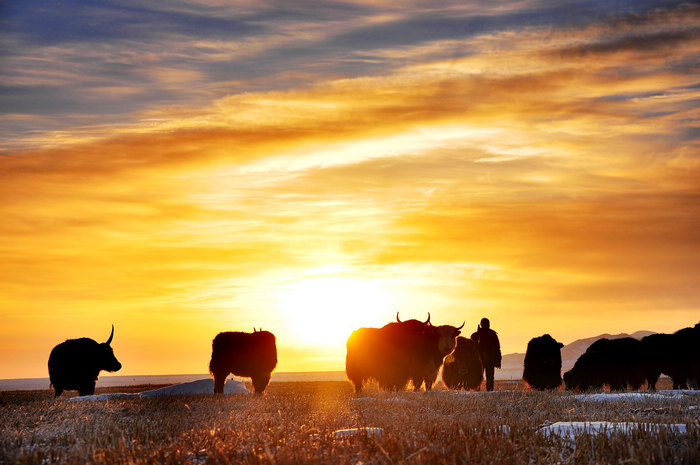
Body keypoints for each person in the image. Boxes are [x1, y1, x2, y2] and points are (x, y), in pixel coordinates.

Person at [472, 318, 501, 391]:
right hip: (485, 360)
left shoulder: (477, 334)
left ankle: (481, 390)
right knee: (487, 377)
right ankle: (488, 390)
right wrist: (498, 361)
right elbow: (497, 348)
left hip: (483, 360)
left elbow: (497, 348)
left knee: (481, 377)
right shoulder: (492, 334)